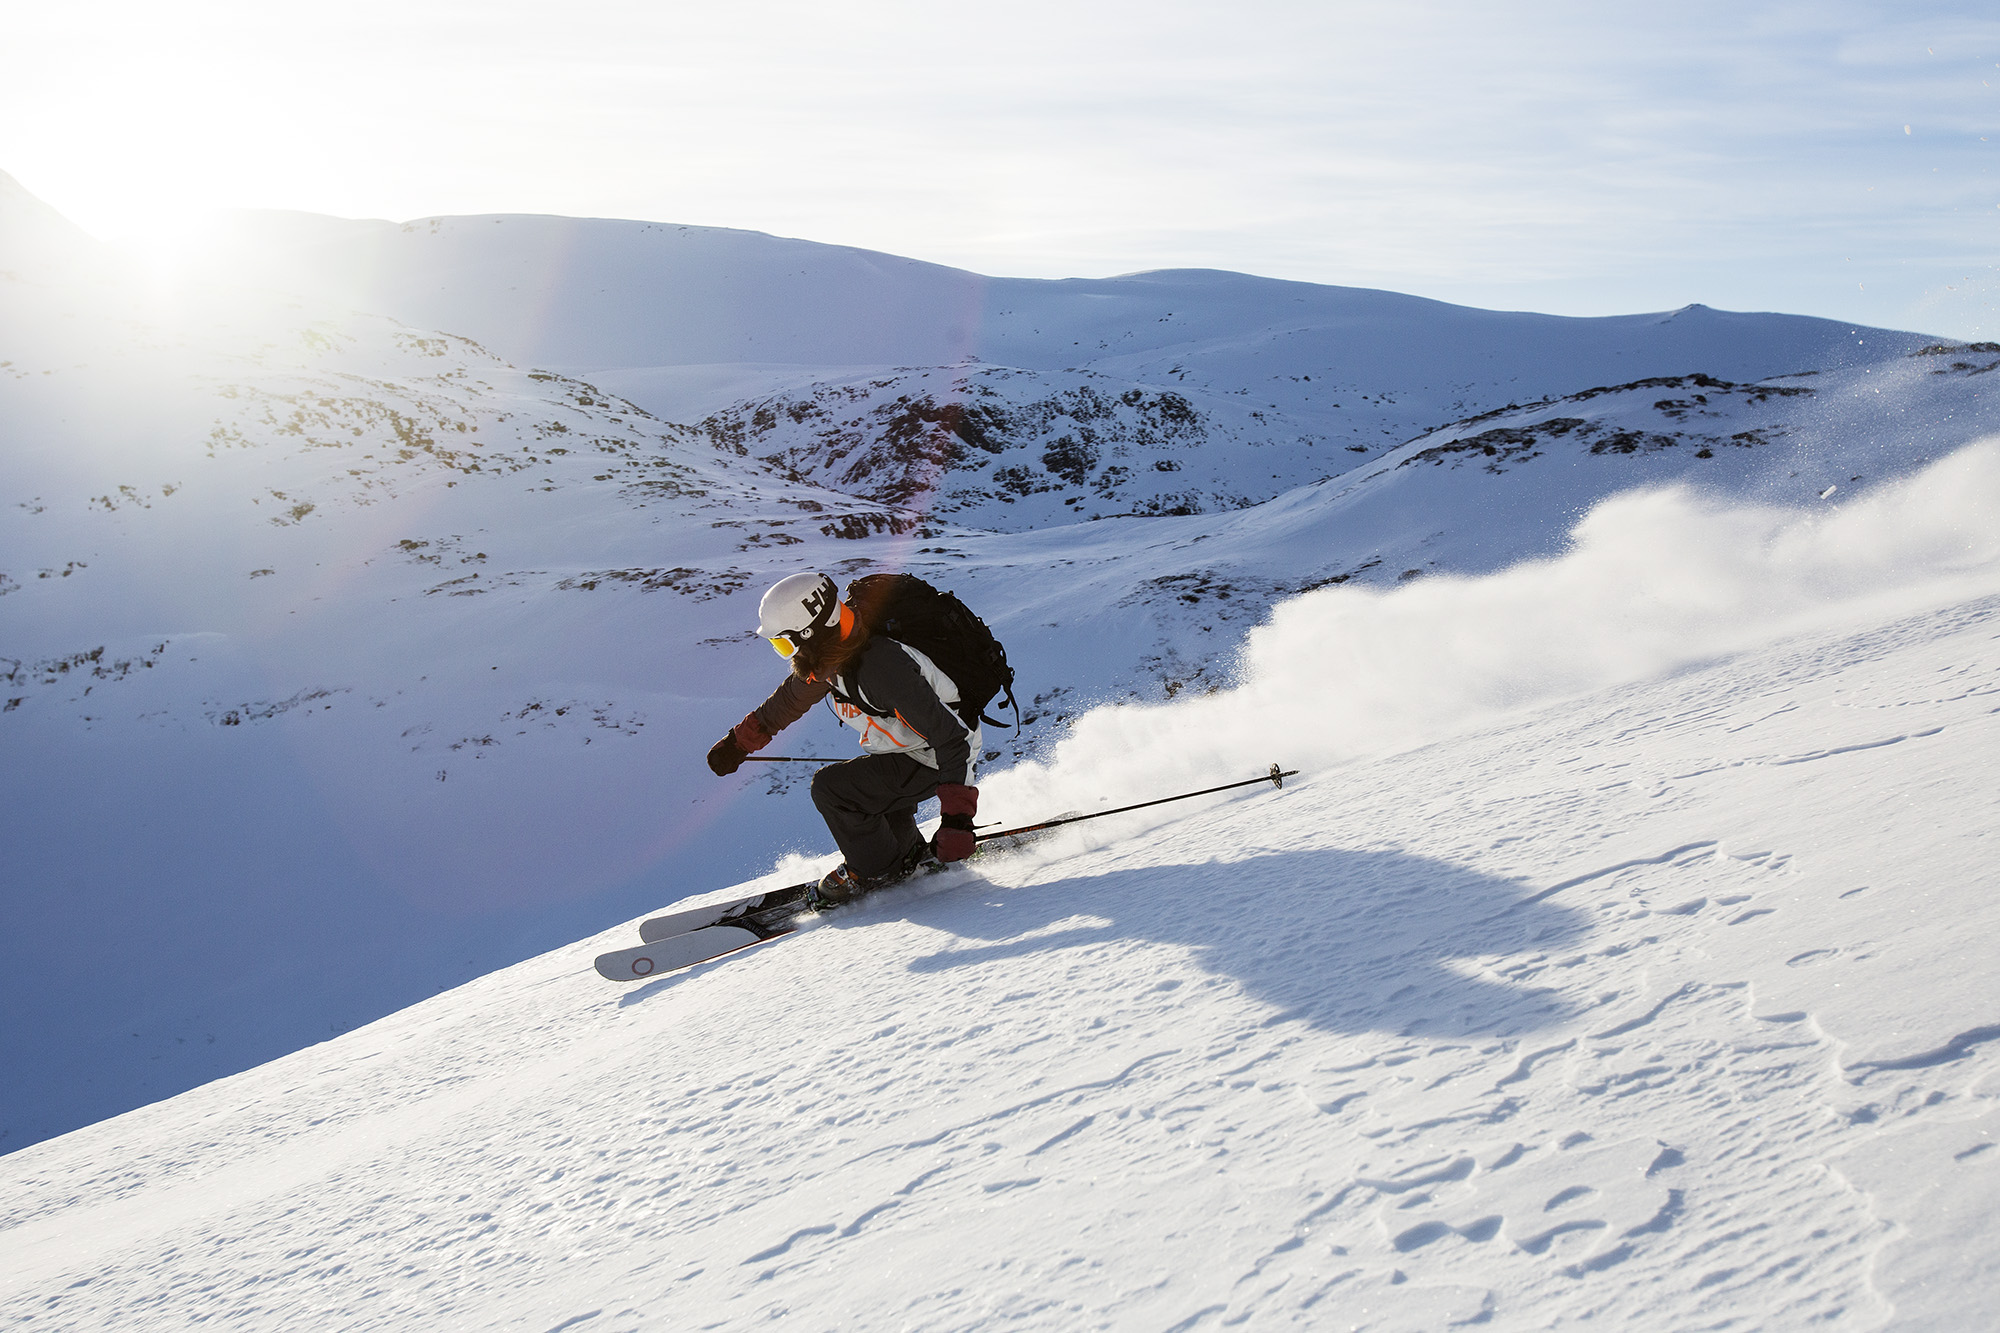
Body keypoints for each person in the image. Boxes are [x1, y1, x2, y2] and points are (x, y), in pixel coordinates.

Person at [706, 572, 981, 909]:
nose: (787, 654)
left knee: (833, 789)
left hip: (938, 756)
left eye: (784, 644)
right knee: (868, 788)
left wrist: (957, 822)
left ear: (809, 632)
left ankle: (875, 873)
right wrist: (738, 743)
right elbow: (791, 699)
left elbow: (951, 739)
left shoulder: (880, 668)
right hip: (910, 750)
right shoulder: (835, 654)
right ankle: (906, 854)